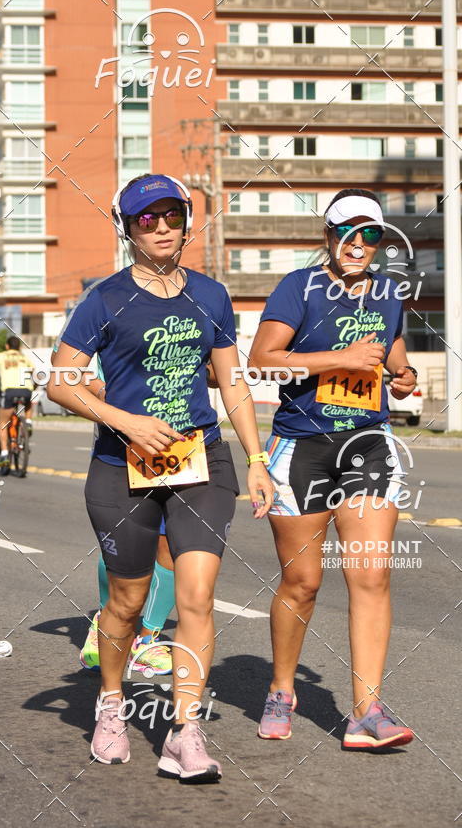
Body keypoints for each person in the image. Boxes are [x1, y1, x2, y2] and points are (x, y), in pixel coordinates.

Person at [48, 173, 273, 782]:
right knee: (125, 603)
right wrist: (127, 421)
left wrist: (256, 460)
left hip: (202, 460)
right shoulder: (104, 299)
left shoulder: (211, 294)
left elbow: (231, 381)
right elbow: (59, 382)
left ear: (186, 220)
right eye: (148, 218)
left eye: (173, 214)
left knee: (197, 596)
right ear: (128, 229)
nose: (163, 226)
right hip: (121, 466)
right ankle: (112, 705)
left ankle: (185, 732)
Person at [249, 188, 417, 751]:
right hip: (304, 446)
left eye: (370, 234)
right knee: (303, 581)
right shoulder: (299, 287)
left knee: (370, 575)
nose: (358, 244)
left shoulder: (390, 291)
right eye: (348, 232)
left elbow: (391, 347)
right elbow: (263, 361)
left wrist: (403, 372)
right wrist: (337, 360)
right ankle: (280, 689)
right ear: (328, 237)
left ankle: (366, 711)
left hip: (368, 444)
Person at [79, 363, 220, 676]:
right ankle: (106, 622)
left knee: (172, 544)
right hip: (125, 444)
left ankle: (147, 641)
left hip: (183, 444)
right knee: (124, 548)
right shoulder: (97, 313)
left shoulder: (195, 312)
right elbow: (70, 373)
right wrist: (112, 398)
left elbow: (214, 369)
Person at [0, 335, 34, 471]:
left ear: (7, 346)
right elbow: (34, 372)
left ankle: (4, 454)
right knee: (28, 402)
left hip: (9, 391)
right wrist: (35, 386)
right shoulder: (24, 357)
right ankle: (28, 422)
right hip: (26, 389)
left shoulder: (1, 355)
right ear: (19, 347)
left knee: (3, 423)